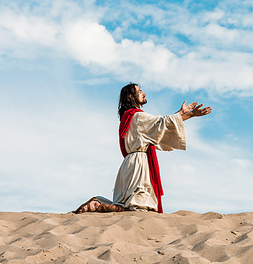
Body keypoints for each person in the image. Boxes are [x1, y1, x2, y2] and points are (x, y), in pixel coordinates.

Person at [74, 83, 212, 213]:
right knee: (139, 207)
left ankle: (99, 204)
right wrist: (191, 114)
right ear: (131, 96)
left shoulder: (130, 117)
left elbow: (160, 125)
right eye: (140, 91)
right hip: (139, 165)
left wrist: (182, 113)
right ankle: (99, 205)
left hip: (130, 163)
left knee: (134, 205)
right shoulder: (138, 116)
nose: (144, 93)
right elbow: (162, 123)